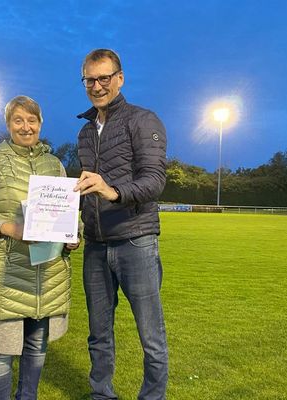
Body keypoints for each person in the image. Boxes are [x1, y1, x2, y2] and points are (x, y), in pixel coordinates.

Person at [0, 95, 79, 400]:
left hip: (47, 274)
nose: (25, 127)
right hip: (7, 275)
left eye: (31, 120)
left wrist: (74, 236)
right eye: (18, 120)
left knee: (36, 349)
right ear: (8, 125)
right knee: (2, 353)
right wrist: (10, 229)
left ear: (40, 123)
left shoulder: (55, 165)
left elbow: (70, 215)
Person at [74, 49, 169, 400]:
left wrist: (112, 191)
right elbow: (86, 191)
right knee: (98, 333)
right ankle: (102, 394)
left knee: (151, 335)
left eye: (104, 78)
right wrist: (74, 230)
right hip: (97, 245)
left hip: (136, 241)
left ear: (120, 78)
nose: (97, 86)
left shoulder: (143, 120)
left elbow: (155, 181)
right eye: (90, 80)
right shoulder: (84, 133)